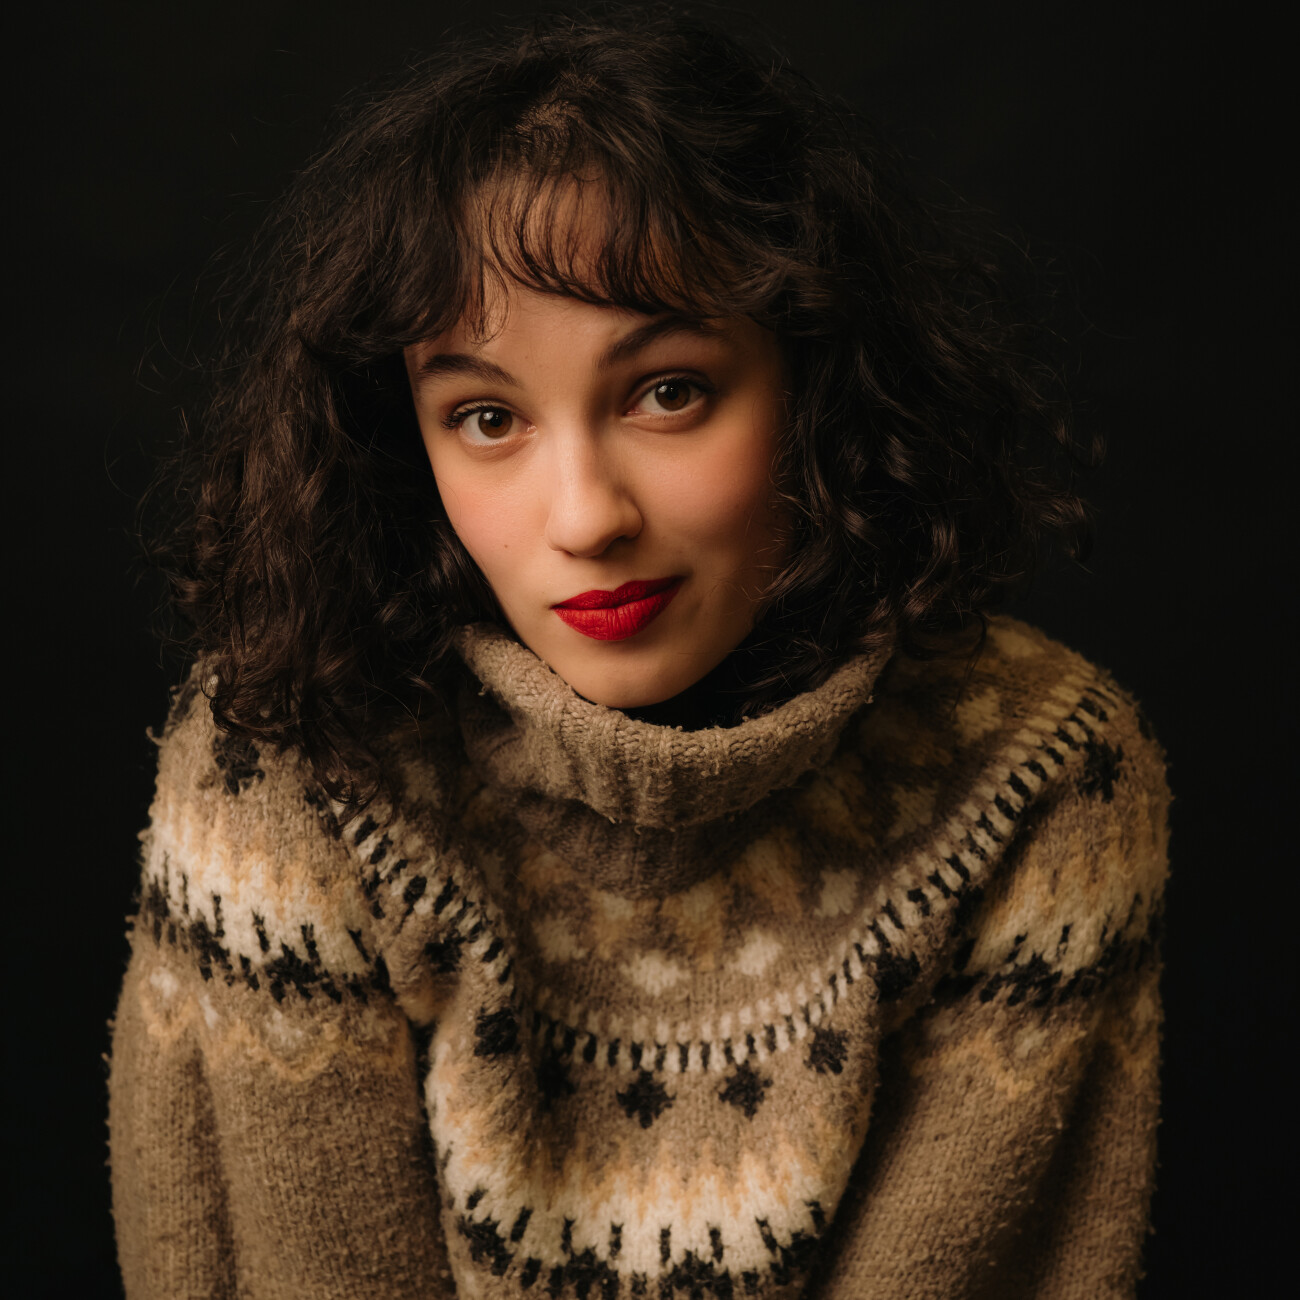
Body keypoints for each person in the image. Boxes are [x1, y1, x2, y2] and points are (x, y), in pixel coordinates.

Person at [106, 9, 1171, 1298]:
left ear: (816, 381)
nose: (586, 517)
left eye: (669, 391)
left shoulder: (1043, 780)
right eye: (485, 417)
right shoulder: (286, 756)